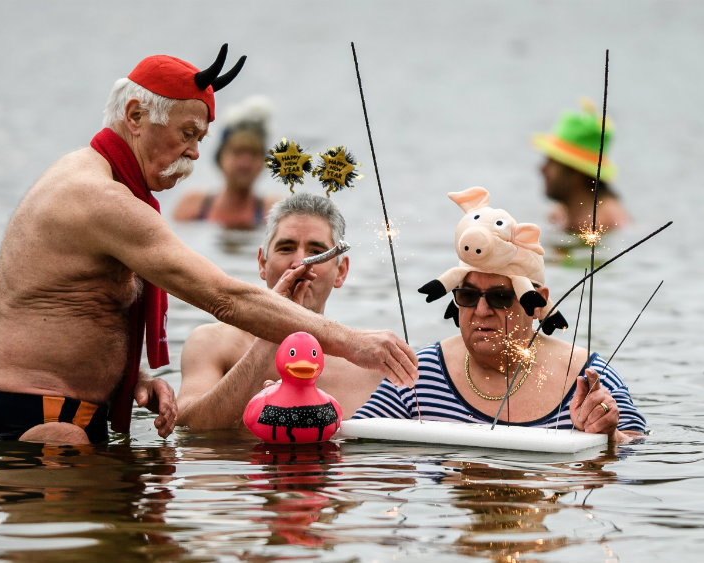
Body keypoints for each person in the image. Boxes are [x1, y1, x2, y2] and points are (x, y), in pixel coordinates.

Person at [0, 46, 418, 446]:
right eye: (186, 133)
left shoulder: (101, 181)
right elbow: (226, 299)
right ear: (135, 116)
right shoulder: (97, 196)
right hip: (44, 421)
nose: (193, 154)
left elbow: (73, 309)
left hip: (68, 413)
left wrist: (131, 376)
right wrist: (351, 341)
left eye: (200, 139)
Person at [354, 191, 646, 444]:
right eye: (467, 296)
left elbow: (637, 451)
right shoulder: (418, 376)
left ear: (538, 302)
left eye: (501, 298)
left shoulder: (589, 376)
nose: (481, 311)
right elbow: (355, 445)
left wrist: (610, 437)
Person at [176, 193, 385, 430]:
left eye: (317, 251)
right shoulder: (212, 342)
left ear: (341, 272)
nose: (300, 263)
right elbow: (186, 429)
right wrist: (270, 335)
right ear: (262, 264)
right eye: (286, 248)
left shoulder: (368, 365)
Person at [172, 95, 281, 229]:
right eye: (238, 152)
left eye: (254, 154)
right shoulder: (193, 205)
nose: (246, 162)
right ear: (220, 158)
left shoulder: (273, 213)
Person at [532, 98, 631, 234]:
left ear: (576, 172)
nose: (542, 170)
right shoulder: (559, 215)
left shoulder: (610, 222)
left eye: (552, 163)